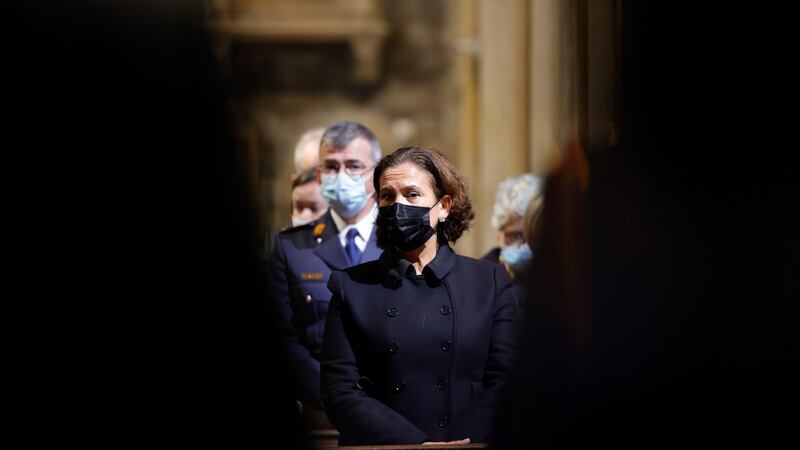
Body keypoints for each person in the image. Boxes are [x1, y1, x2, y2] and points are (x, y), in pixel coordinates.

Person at [321, 146, 519, 446]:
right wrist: (415, 444)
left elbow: (508, 379)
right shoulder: (352, 287)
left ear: (444, 206)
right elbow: (340, 390)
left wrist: (465, 442)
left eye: (412, 194)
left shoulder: (489, 282)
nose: (397, 205)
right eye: (387, 196)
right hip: (385, 445)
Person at [269, 120, 383, 413]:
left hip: (394, 408)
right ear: (319, 176)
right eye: (331, 167)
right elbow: (283, 340)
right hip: (322, 411)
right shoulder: (292, 248)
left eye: (354, 165)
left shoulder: (398, 242)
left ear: (376, 175)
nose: (341, 175)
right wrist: (338, 397)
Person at [482, 174, 544, 281]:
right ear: (499, 234)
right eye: (516, 236)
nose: (525, 245)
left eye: (532, 235)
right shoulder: (482, 275)